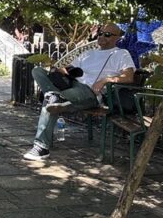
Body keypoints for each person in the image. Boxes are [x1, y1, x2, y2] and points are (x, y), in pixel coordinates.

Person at [25, 23, 135, 161]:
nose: (101, 36)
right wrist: (60, 70)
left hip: (90, 93)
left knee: (51, 100)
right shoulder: (88, 52)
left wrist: (106, 79)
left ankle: (41, 147)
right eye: (100, 33)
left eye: (107, 34)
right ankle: (54, 95)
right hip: (72, 85)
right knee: (37, 71)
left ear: (117, 38)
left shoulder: (121, 54)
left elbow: (129, 77)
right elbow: (70, 69)